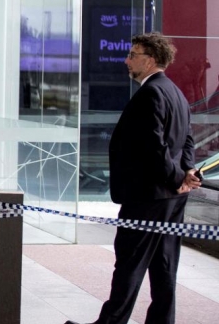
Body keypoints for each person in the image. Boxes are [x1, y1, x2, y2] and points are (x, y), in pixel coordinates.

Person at [65, 33, 200, 324]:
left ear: (149, 60)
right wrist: (186, 173)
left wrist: (179, 176)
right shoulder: (174, 91)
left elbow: (154, 147)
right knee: (164, 265)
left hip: (148, 197)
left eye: (132, 55)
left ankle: (111, 322)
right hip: (172, 197)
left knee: (129, 263)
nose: (127, 61)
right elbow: (187, 140)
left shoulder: (151, 93)